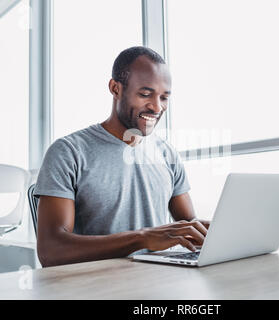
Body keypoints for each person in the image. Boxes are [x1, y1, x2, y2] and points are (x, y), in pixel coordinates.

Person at [34, 46, 209, 267]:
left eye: (164, 97)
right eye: (145, 94)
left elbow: (188, 225)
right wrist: (142, 238)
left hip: (160, 280)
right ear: (115, 88)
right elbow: (51, 251)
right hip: (97, 286)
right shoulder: (68, 152)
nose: (157, 107)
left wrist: (216, 233)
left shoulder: (167, 153)